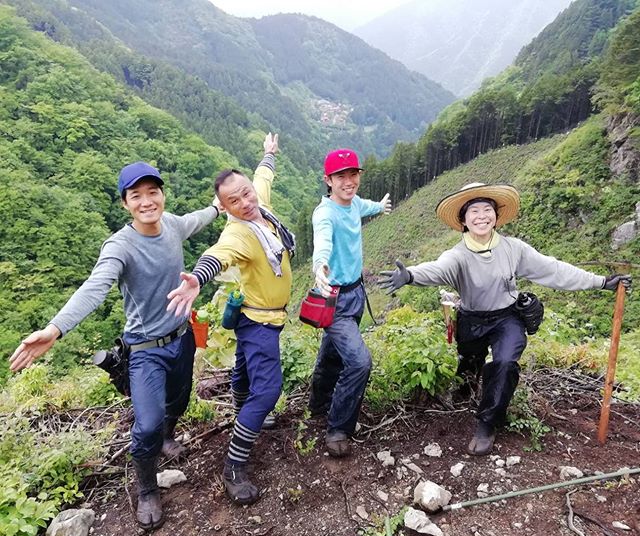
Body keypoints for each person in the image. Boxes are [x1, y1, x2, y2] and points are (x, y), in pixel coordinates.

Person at [9, 161, 222, 530]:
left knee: (180, 400)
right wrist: (55, 329)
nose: (146, 201)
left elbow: (199, 217)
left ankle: (169, 438)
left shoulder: (172, 224)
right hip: (144, 349)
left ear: (162, 195)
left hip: (182, 338)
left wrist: (221, 206)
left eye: (152, 192)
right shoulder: (121, 245)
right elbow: (95, 287)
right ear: (125, 203)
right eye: (135, 196)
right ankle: (146, 488)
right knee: (146, 425)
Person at [378, 182, 632, 456]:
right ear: (463, 220)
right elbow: (438, 269)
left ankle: (487, 423)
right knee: (469, 362)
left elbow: (553, 269)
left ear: (496, 216)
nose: (481, 216)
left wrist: (602, 282)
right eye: (473, 211)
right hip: (471, 319)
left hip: (506, 318)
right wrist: (410, 275)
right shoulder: (458, 256)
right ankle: (467, 381)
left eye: (487, 209)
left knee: (505, 363)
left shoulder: (514, 249)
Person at [166, 133, 295, 505]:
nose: (245, 202)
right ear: (224, 208)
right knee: (268, 390)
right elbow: (219, 255)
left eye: (246, 193)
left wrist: (268, 155)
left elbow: (263, 177)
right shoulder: (238, 232)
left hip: (257, 315)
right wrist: (198, 278)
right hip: (259, 322)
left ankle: (242, 410)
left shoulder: (261, 206)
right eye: (234, 201)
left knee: (243, 371)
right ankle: (234, 467)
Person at [310, 148, 392, 457]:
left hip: (356, 293)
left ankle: (318, 403)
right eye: (341, 176)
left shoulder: (354, 202)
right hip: (335, 298)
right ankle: (338, 427)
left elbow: (364, 206)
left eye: (353, 174)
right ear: (328, 180)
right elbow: (323, 241)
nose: (349, 181)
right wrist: (320, 266)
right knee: (358, 361)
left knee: (333, 353)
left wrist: (380, 207)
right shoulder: (325, 213)